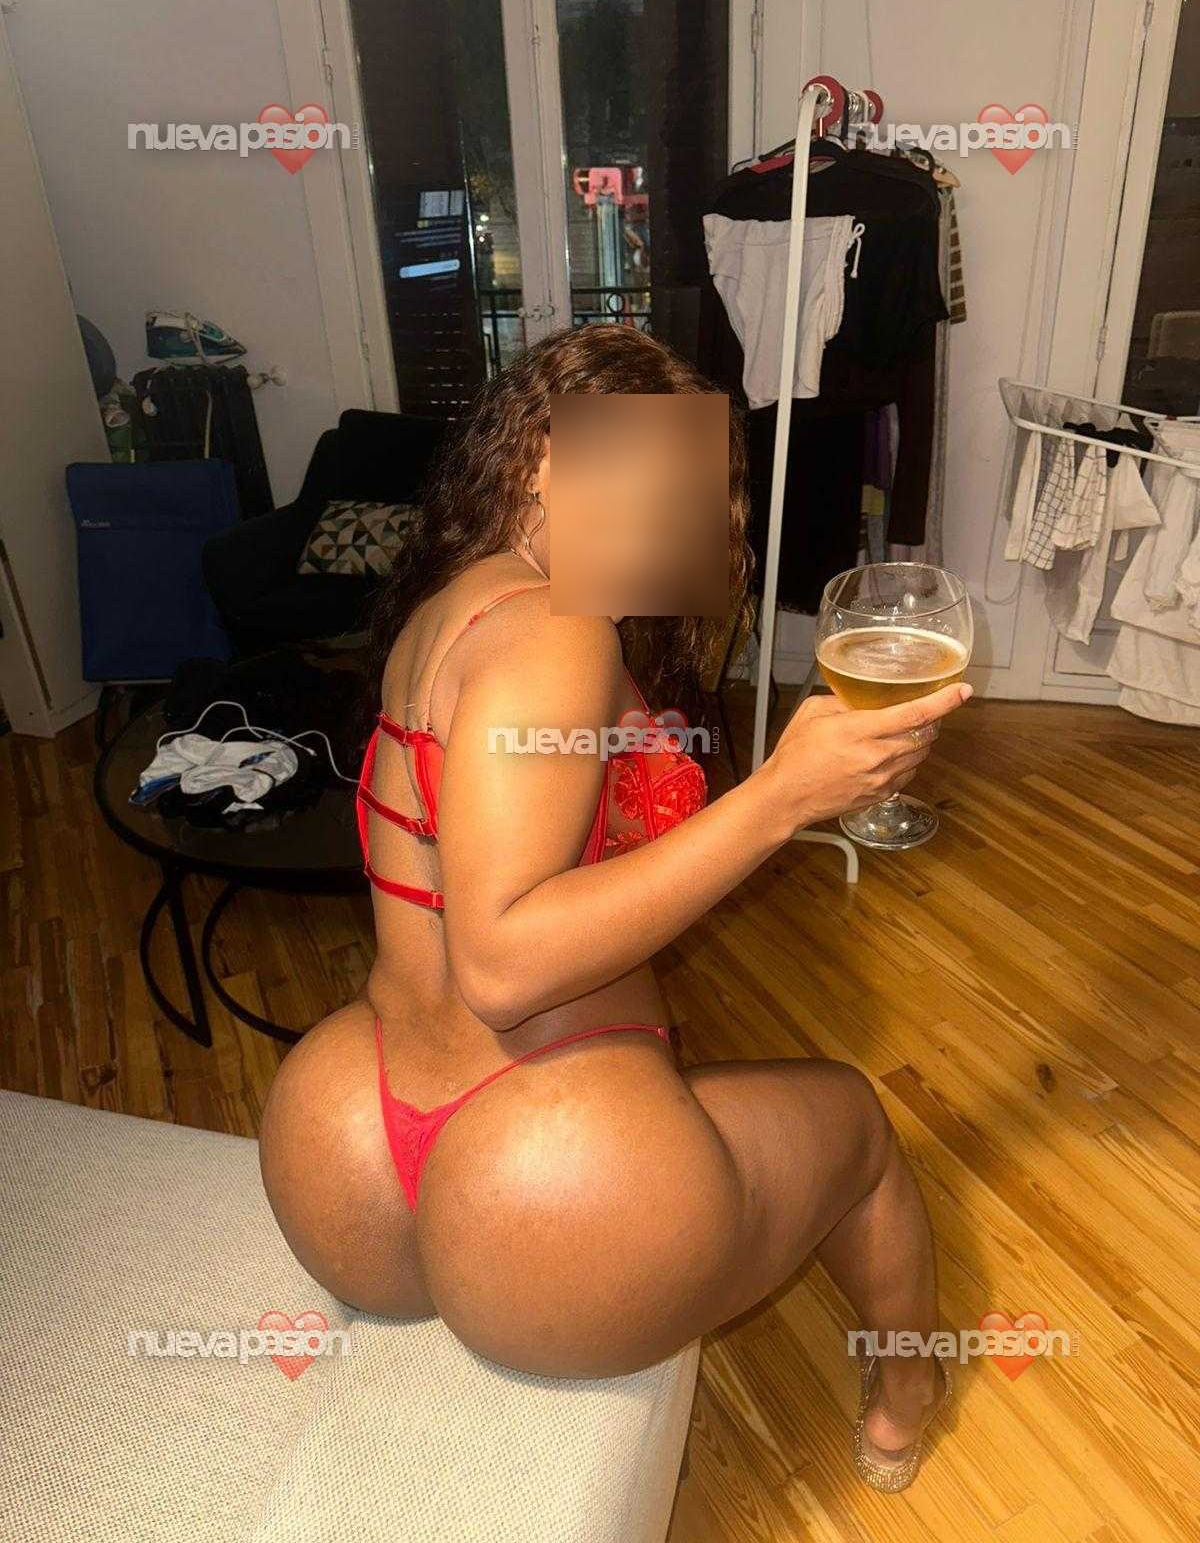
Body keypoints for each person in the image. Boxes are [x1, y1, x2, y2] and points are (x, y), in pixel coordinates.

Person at [259, 323, 968, 1492]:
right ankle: (906, 1402)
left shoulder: (453, 608)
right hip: (547, 1173)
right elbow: (501, 961)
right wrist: (784, 798)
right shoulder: (557, 631)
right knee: (857, 1125)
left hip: (351, 1136)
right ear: (542, 458)